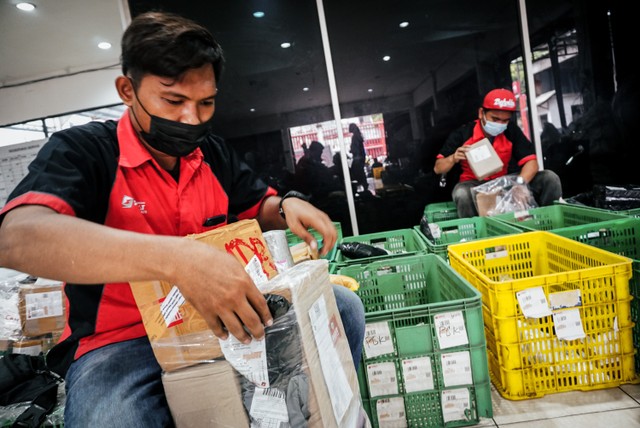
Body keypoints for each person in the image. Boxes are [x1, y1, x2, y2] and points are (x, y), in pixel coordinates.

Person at [0, 12, 365, 427]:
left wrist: (286, 206)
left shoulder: (211, 153)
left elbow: (258, 205)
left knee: (344, 309)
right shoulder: (86, 152)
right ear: (127, 89)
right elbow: (18, 238)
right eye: (173, 101)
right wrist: (179, 261)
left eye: (205, 103)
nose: (191, 119)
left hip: (225, 322)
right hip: (122, 342)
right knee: (112, 419)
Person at [434, 88, 562, 217]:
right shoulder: (462, 134)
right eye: (495, 119)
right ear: (481, 113)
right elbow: (438, 168)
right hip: (474, 185)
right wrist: (452, 158)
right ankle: (475, 233)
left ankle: (551, 220)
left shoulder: (511, 131)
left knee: (549, 178)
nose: (500, 124)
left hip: (506, 182)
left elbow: (531, 163)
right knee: (461, 193)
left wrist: (520, 184)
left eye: (505, 121)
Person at [348, 123, 369, 191]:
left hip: (357, 157)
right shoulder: (359, 135)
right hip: (361, 156)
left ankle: (361, 184)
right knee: (361, 171)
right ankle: (364, 184)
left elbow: (355, 148)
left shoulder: (354, 137)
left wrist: (351, 150)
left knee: (356, 171)